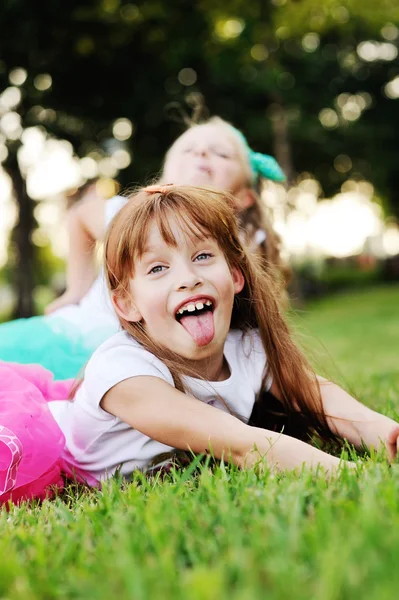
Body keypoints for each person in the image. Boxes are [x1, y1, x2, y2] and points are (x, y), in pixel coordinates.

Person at [1, 184, 398, 505]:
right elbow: (242, 445)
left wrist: (386, 433)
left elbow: (317, 398)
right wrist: (355, 477)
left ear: (236, 276)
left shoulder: (247, 348)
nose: (188, 278)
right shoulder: (123, 371)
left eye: (203, 255)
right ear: (126, 303)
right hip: (49, 448)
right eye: (158, 268)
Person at [0, 116, 287, 379]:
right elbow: (79, 217)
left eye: (222, 154)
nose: (201, 154)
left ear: (244, 198)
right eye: (188, 150)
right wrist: (77, 289)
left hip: (138, 367)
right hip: (72, 336)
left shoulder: (238, 244)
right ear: (164, 180)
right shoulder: (130, 218)